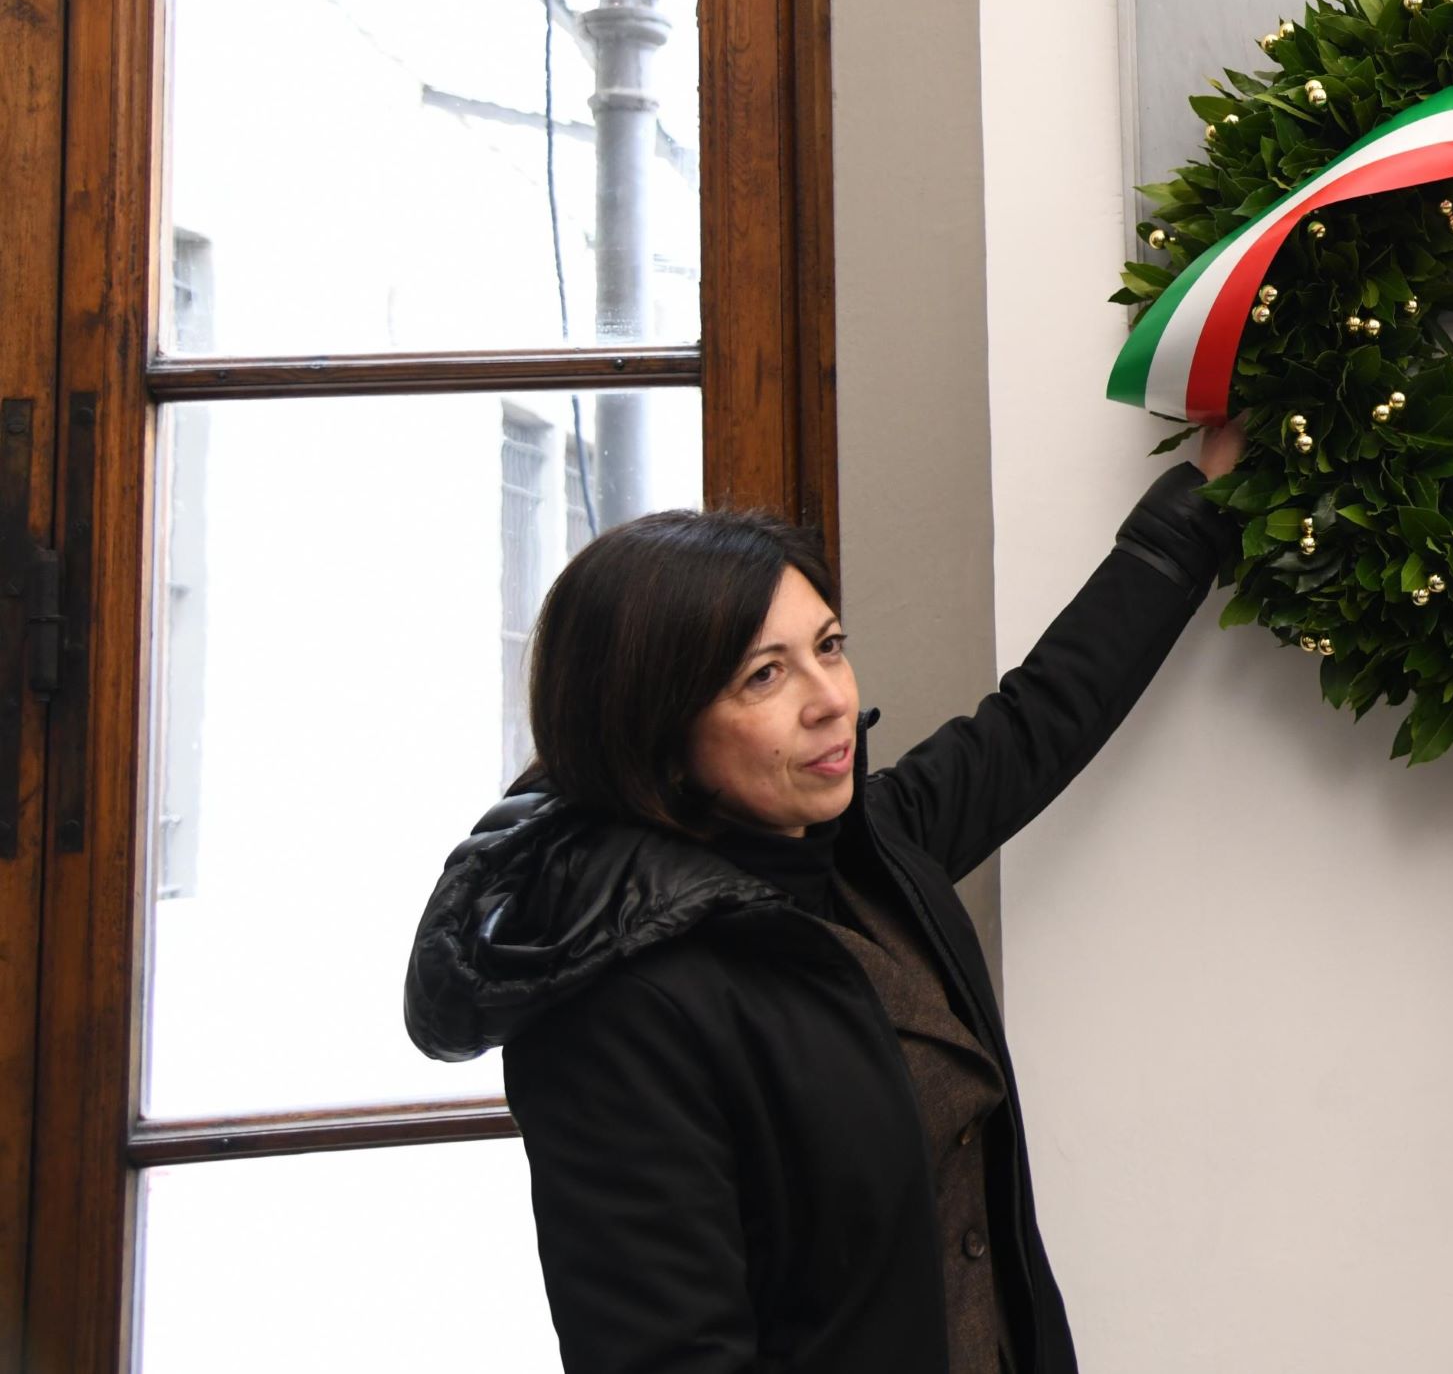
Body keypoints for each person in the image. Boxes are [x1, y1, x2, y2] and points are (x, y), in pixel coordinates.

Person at [404, 427, 1241, 1374]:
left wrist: (1203, 502)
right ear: (652, 724)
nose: (831, 699)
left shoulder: (860, 850)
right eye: (765, 674)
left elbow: (1038, 721)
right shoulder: (616, 1006)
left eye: (829, 647)